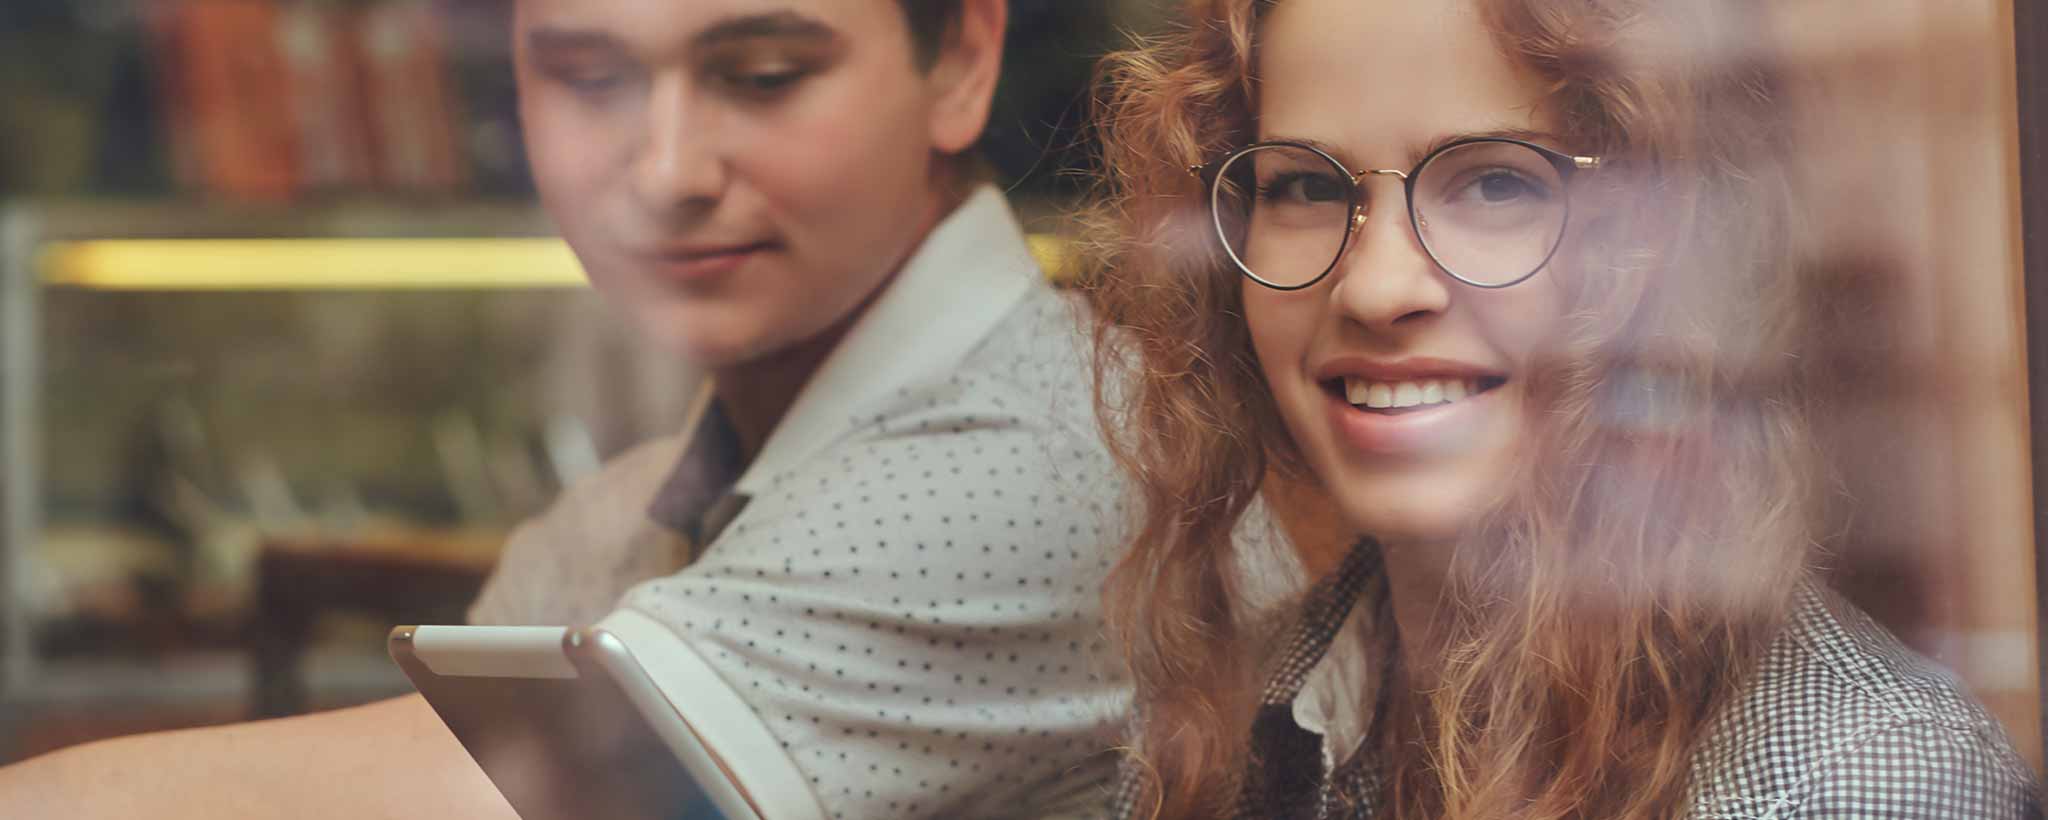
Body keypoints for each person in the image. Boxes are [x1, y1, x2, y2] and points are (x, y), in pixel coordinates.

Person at [0, 1, 1129, 818]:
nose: (667, 170)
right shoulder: (607, 525)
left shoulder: (1066, 453)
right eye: (585, 76)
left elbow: (485, 798)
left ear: (963, 60)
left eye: (766, 71)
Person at [1077, 0, 2041, 818]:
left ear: (1670, 247)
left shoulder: (1861, 778)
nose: (1374, 289)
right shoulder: (1218, 719)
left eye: (1497, 182)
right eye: (1306, 186)